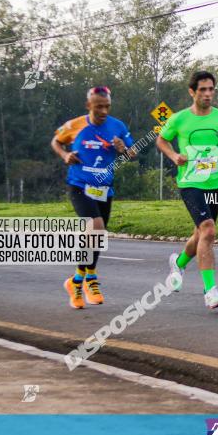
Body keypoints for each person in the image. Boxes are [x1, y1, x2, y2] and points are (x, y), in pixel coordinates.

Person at [156, 70, 218, 310]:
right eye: (203, 90)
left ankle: (179, 262)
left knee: (200, 234)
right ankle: (210, 291)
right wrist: (174, 155)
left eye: (211, 89)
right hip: (190, 183)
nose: (208, 94)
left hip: (215, 183)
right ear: (192, 92)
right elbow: (161, 140)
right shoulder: (179, 119)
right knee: (208, 230)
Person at [51, 86, 135, 309]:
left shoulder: (118, 126)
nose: (104, 111)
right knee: (95, 226)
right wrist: (65, 155)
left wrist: (123, 149)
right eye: (99, 107)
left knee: (98, 235)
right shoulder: (75, 125)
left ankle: (77, 281)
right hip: (79, 186)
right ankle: (87, 279)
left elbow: (132, 152)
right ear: (89, 106)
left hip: (104, 189)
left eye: (107, 106)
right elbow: (56, 142)